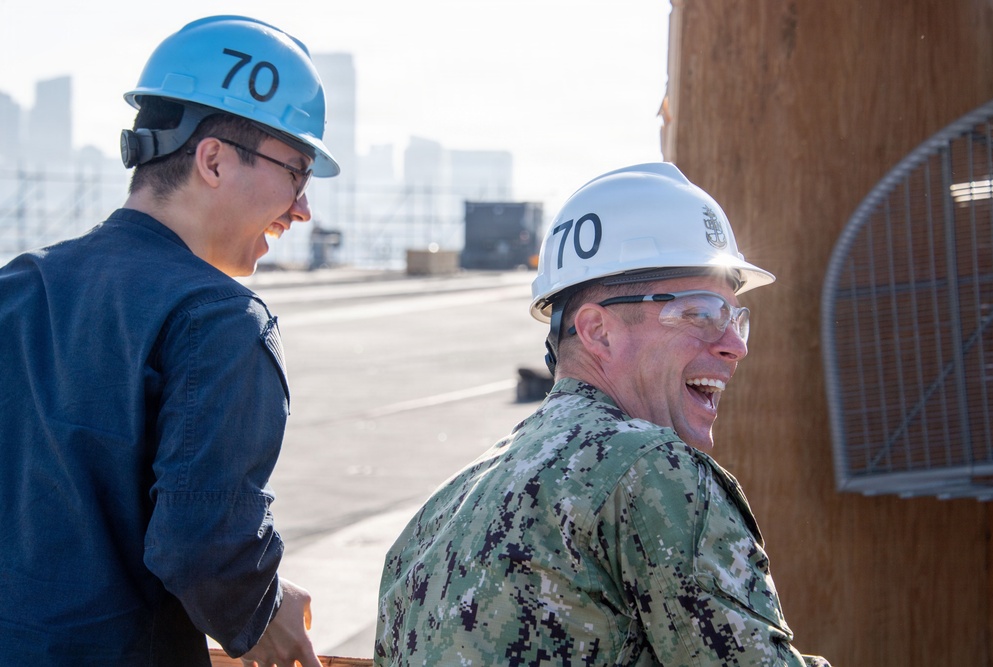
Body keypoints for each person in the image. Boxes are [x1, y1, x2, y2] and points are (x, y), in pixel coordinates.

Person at [374, 163, 831, 666]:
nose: (734, 347)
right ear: (597, 331)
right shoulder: (652, 472)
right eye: (702, 313)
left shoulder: (434, 521)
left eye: (736, 319)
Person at [0, 16, 339, 666]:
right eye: (296, 173)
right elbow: (203, 547)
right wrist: (263, 607)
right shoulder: (221, 318)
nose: (303, 208)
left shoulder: (16, 287)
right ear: (213, 159)